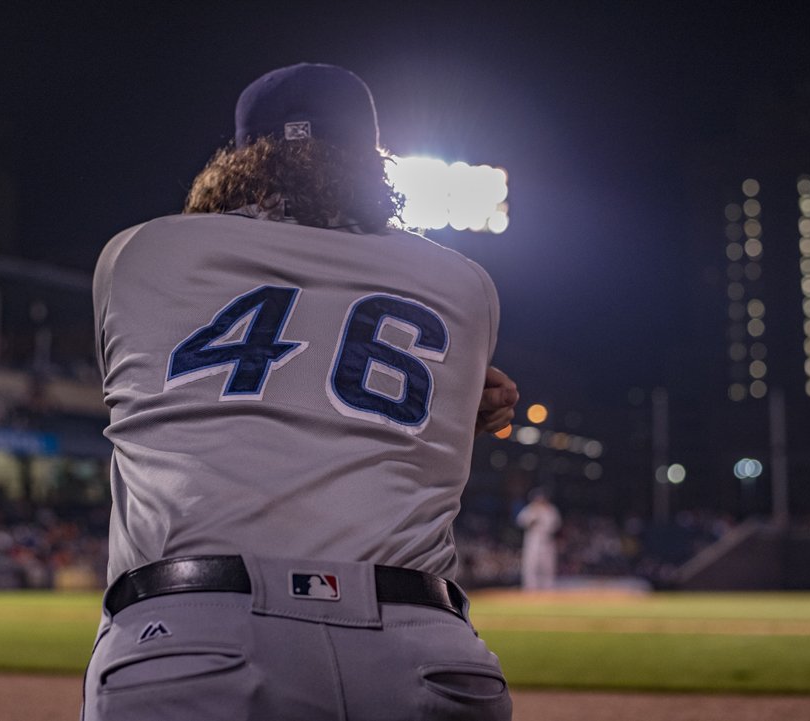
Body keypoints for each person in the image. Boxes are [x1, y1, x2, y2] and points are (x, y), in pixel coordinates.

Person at [83, 62, 517, 721]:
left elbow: (149, 386)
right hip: (420, 650)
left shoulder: (137, 254)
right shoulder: (464, 282)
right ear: (374, 162)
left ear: (239, 158)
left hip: (190, 644)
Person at [516, 487, 561, 591]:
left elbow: (556, 525)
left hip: (547, 541)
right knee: (530, 567)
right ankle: (530, 589)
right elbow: (520, 521)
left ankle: (548, 589)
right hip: (533, 542)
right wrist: (533, 519)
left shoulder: (550, 510)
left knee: (548, 567)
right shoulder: (530, 509)